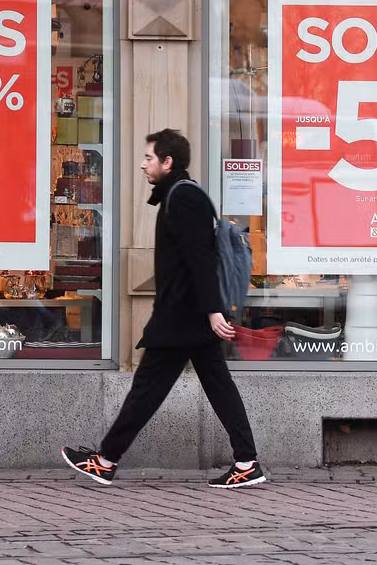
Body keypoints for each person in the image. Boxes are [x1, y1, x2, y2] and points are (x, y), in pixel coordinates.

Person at [62, 128, 265, 489]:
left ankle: (105, 461)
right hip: (189, 317)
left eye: (149, 158)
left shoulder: (184, 197)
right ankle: (247, 463)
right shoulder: (180, 194)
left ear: (167, 162)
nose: (143, 165)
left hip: (181, 318)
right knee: (216, 387)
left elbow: (200, 259)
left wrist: (213, 310)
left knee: (147, 390)